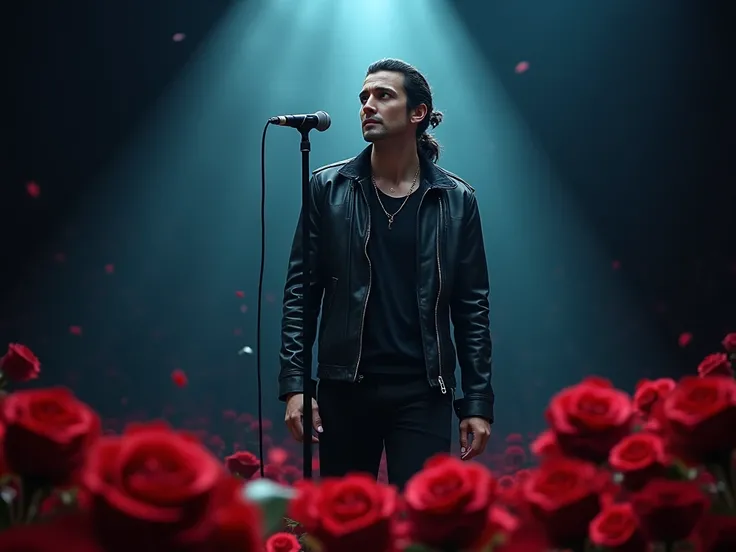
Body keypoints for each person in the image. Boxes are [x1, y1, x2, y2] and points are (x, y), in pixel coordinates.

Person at [278, 58, 494, 489]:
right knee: (343, 525)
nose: (368, 105)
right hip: (345, 388)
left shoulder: (457, 200)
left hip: (424, 391)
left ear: (418, 112)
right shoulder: (328, 188)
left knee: (420, 524)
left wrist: (477, 401)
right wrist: (296, 385)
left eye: (383, 95)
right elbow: (301, 294)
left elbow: (471, 309)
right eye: (363, 97)